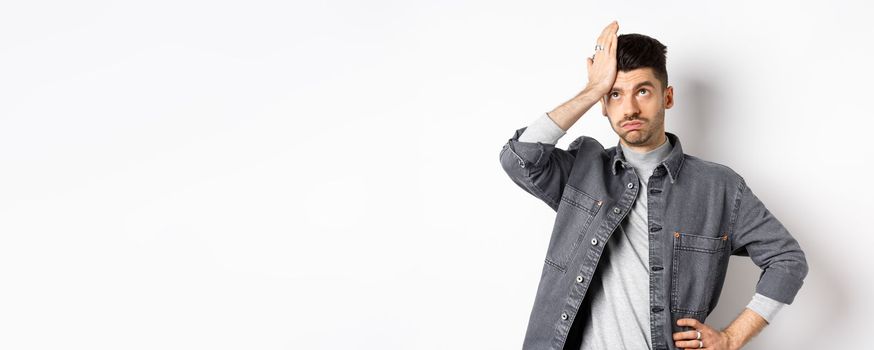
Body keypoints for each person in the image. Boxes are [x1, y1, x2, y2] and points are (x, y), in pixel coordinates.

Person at [498, 20, 808, 350]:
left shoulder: (719, 188)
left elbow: (787, 260)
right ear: (604, 105)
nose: (629, 108)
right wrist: (592, 90)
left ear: (668, 96)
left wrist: (733, 337)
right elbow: (518, 157)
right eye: (615, 94)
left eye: (642, 91)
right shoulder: (581, 170)